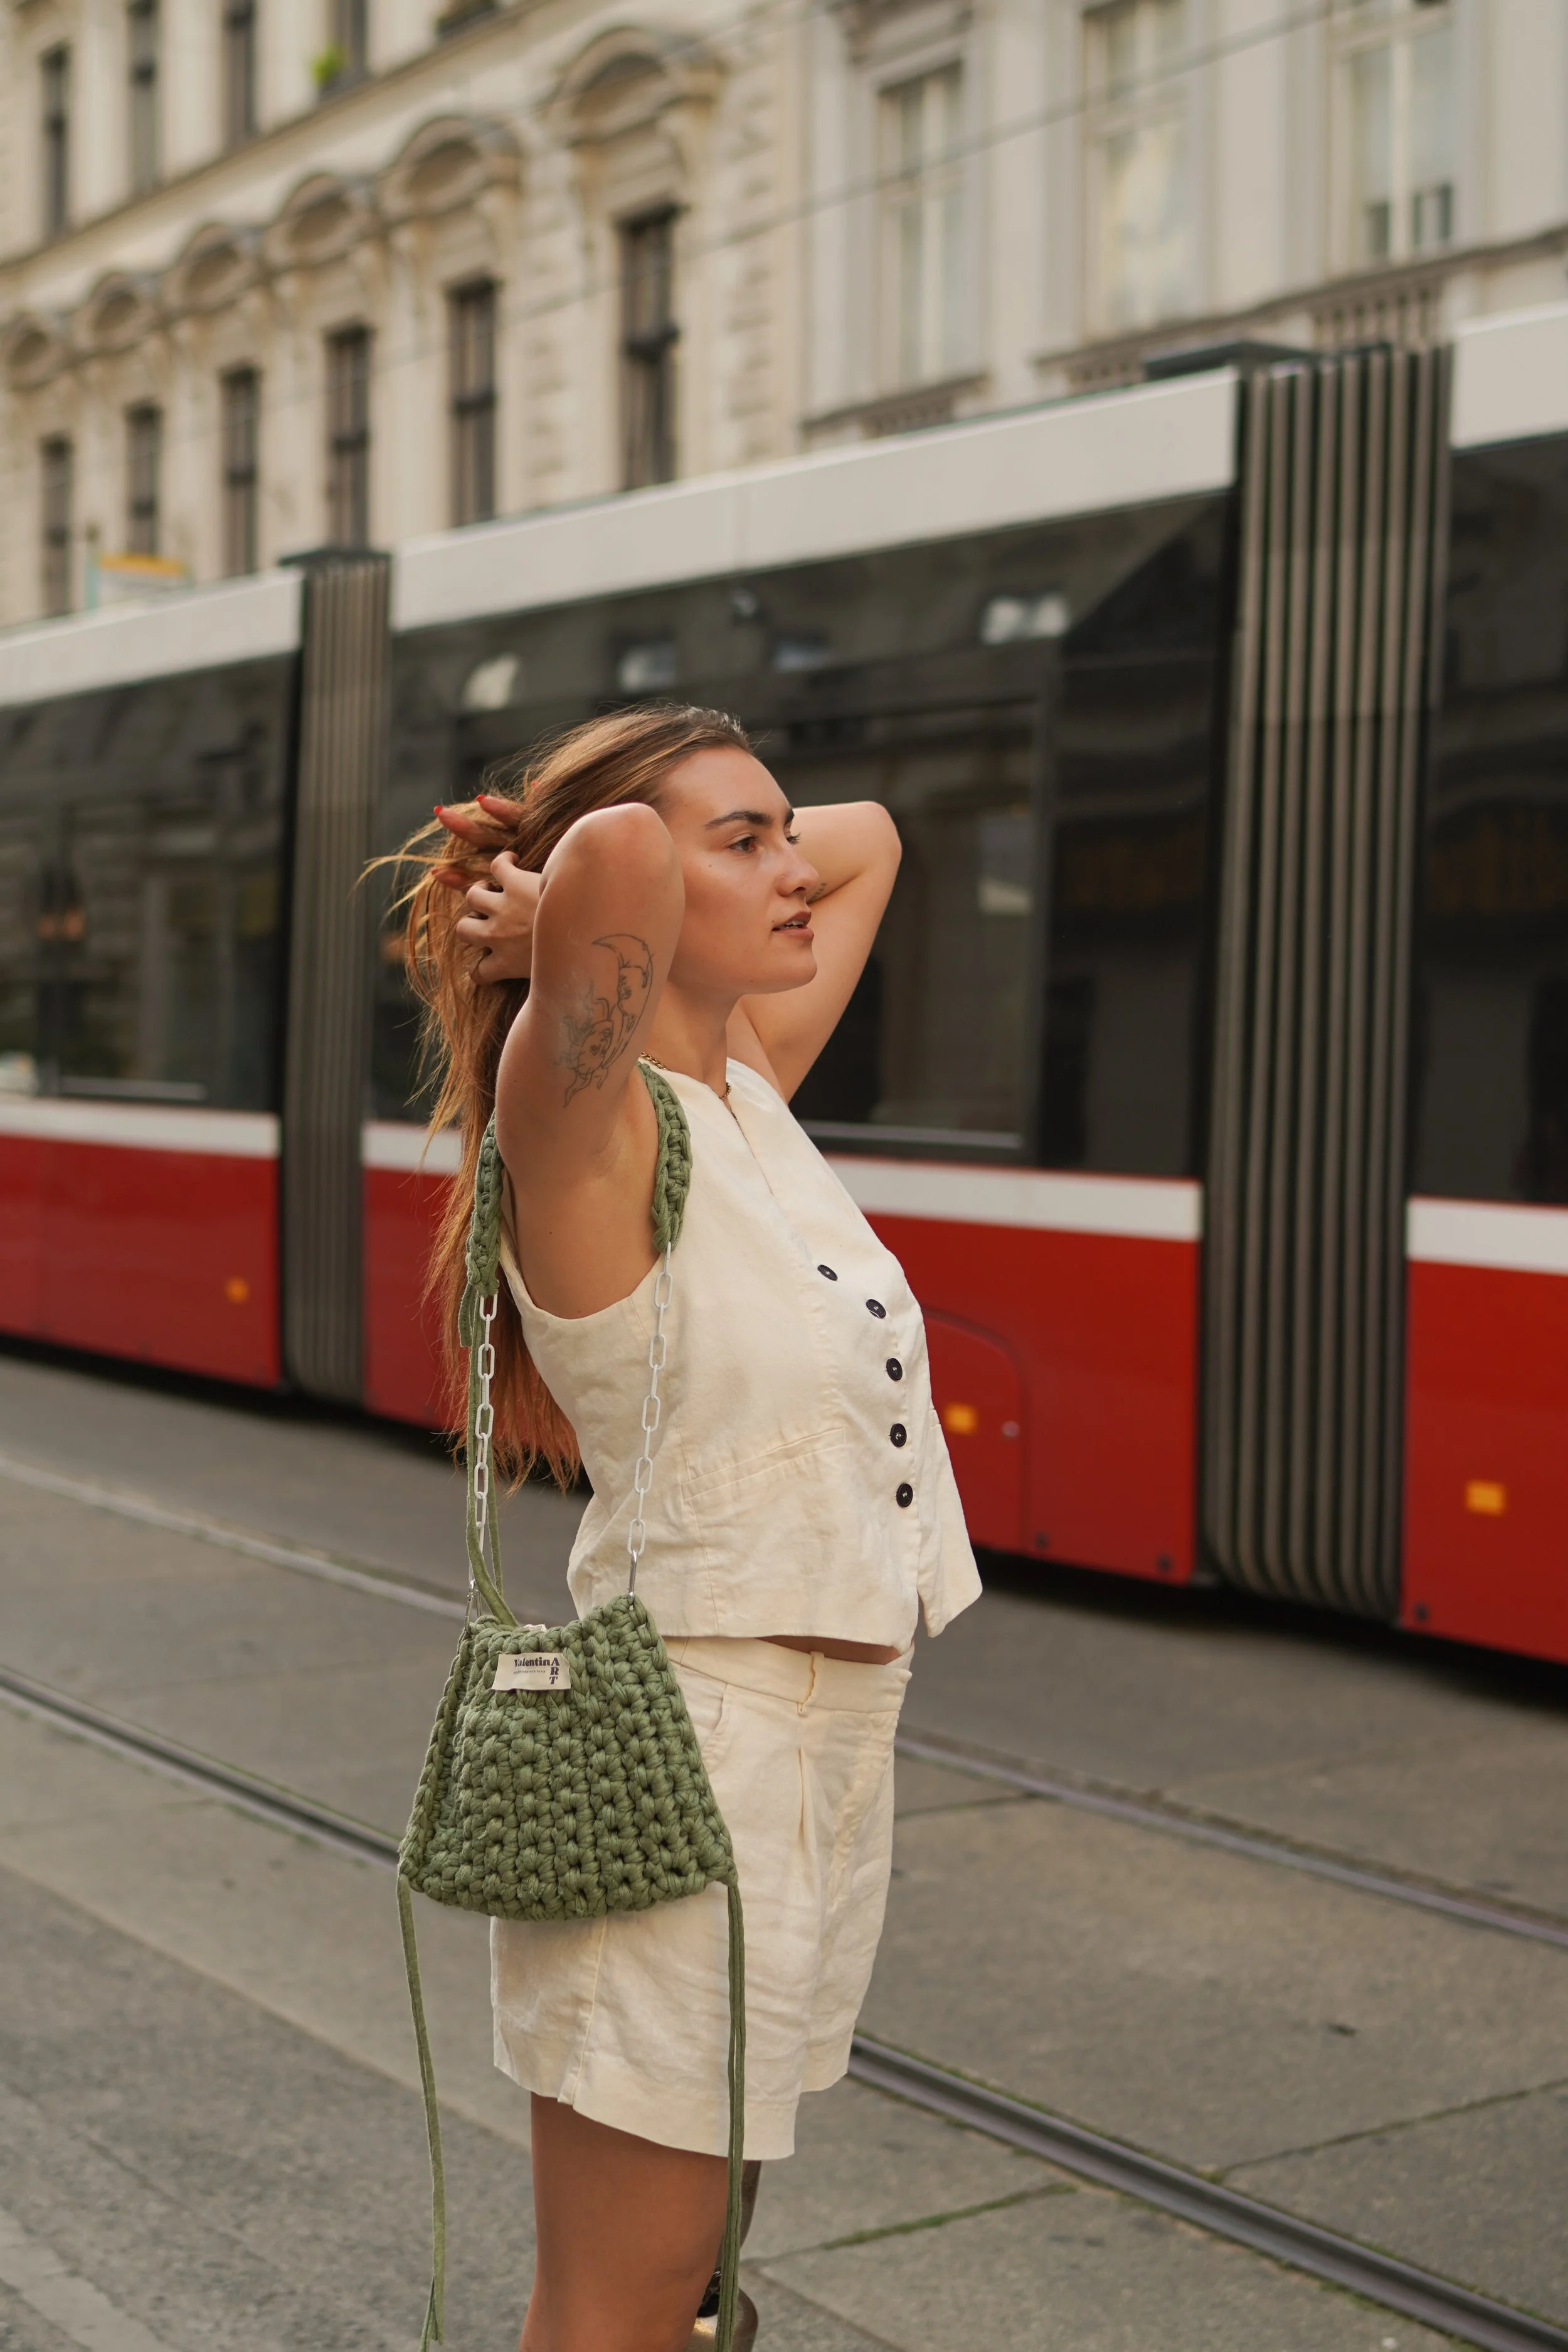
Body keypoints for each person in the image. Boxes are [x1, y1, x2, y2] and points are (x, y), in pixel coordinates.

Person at [401, 704, 980, 2352]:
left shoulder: (737, 1087)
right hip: (688, 1744)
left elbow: (867, 833)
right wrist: (557, 888)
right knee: (623, 2294)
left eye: (774, 833)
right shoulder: (583, 1118)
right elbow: (623, 860)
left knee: (697, 2285)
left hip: (824, 1746)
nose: (798, 868)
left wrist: (665, 859)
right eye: (747, 844)